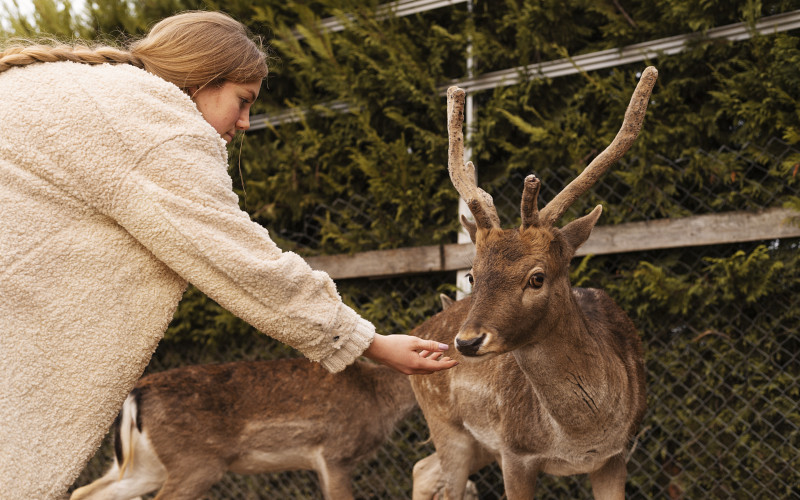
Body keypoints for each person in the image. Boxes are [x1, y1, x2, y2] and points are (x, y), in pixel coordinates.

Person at [0, 10, 457, 499]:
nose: (244, 122)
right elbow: (242, 262)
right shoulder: (157, 125)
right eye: (243, 100)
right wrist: (370, 343)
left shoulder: (68, 88)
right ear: (202, 78)